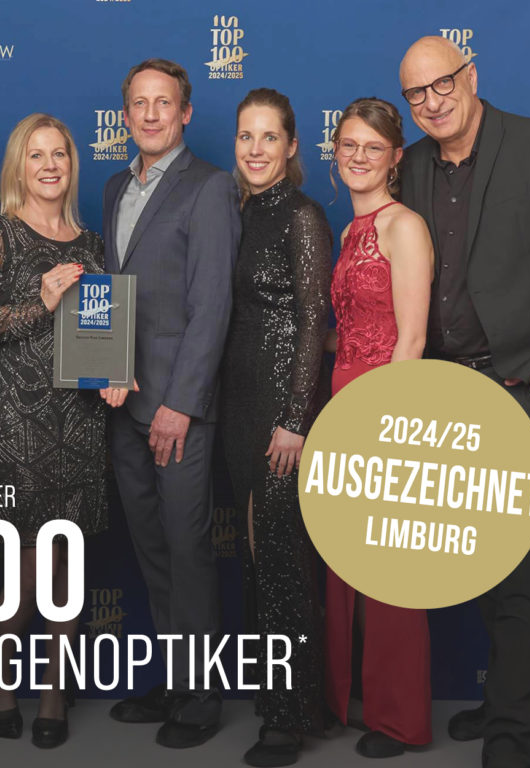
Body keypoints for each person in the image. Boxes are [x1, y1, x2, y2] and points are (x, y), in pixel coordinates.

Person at [398, 37, 530, 768]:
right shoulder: (413, 164)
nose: (432, 102)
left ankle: (514, 743)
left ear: (471, 76)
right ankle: (502, 704)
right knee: (477, 561)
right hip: (444, 391)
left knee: (521, 570)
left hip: (520, 387)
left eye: (443, 84)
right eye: (416, 93)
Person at [0, 113, 128, 750]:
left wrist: (116, 374)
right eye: (37, 155)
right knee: (28, 562)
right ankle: (0, 688)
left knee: (67, 563)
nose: (50, 165)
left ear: (72, 165)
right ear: (19, 168)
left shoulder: (91, 242)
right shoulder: (0, 232)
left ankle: (54, 692)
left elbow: (102, 334)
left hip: (77, 418)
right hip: (15, 418)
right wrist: (40, 303)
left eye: (60, 154)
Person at [102, 58, 241, 749]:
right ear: (126, 115)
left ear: (185, 113)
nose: (151, 114)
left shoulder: (210, 187)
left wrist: (181, 404)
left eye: (164, 103)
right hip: (120, 405)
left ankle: (201, 699)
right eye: (139, 103)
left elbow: (211, 305)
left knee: (187, 553)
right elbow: (114, 294)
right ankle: (175, 679)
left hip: (176, 409)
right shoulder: (112, 188)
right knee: (152, 550)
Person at [219, 88, 331, 767]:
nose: (255, 149)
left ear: (291, 146)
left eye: (269, 137)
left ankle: (290, 719)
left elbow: (315, 321)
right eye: (245, 136)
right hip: (239, 407)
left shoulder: (302, 216)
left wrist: (294, 419)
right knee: (260, 559)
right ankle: (282, 699)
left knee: (283, 559)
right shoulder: (240, 213)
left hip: (282, 412)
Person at [324, 98, 434, 759]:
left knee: (391, 572)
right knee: (348, 565)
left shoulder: (404, 226)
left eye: (372, 147)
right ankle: (345, 699)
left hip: (386, 406)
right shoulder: (347, 231)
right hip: (342, 398)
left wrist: (386, 424)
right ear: (335, 154)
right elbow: (347, 330)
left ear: (395, 157)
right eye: (348, 145)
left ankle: (399, 720)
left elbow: (411, 338)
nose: (358, 156)